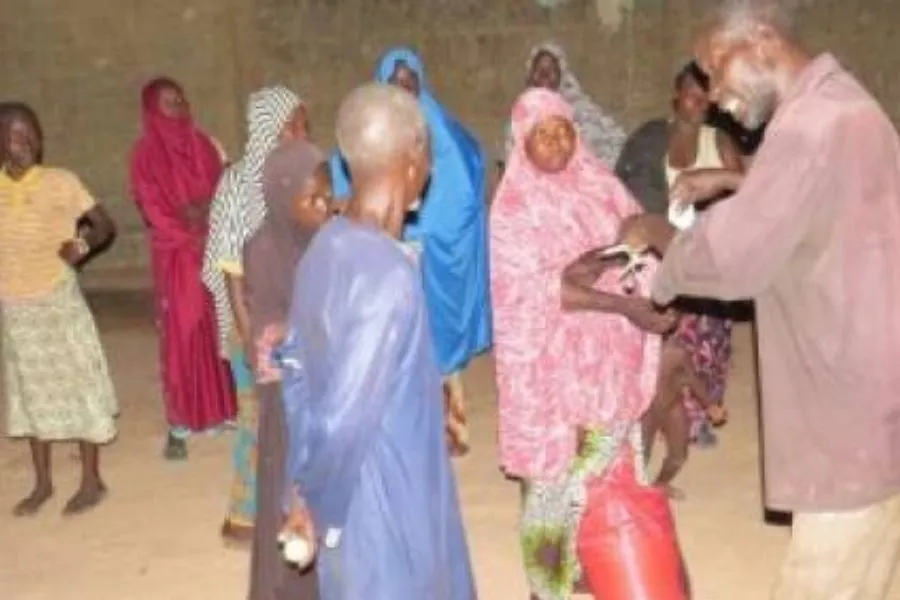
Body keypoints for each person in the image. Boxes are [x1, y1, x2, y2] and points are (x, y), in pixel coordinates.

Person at [620, 1, 900, 597]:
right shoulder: (852, 108)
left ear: (762, 40)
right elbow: (812, 209)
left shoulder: (807, 129)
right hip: (881, 408)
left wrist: (658, 240)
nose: (714, 95)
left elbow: (731, 258)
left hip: (845, 427)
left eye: (716, 67)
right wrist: (733, 183)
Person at [279, 82, 475, 600]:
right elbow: (346, 412)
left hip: (350, 484)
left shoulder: (326, 246)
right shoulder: (387, 274)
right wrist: (315, 501)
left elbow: (295, 374)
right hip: (383, 497)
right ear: (413, 157)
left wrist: (298, 483)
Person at [490, 87, 671, 599]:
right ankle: (547, 585)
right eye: (541, 134)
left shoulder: (601, 185)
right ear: (521, 142)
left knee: (605, 475)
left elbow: (640, 244)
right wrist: (621, 305)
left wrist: (650, 291)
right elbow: (535, 292)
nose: (556, 142)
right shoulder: (514, 209)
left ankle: (599, 561)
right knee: (554, 483)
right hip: (553, 379)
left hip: (609, 369)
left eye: (563, 130)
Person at [330, 47, 491, 456]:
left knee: (437, 336)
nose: (403, 90)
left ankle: (449, 428)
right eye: (395, 81)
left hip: (433, 257)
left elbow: (465, 190)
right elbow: (344, 186)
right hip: (385, 251)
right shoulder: (370, 134)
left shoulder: (443, 133)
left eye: (410, 81)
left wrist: (427, 231)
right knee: (389, 342)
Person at [616, 62, 743, 493]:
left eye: (706, 94)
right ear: (676, 96)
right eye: (691, 92)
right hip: (664, 255)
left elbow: (745, 192)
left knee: (705, 344)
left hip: (708, 255)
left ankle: (696, 418)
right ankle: (659, 420)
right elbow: (630, 190)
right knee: (668, 344)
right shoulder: (653, 139)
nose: (699, 101)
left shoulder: (719, 142)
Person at [0, 102, 118, 516]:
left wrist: (82, 245)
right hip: (16, 307)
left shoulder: (61, 182)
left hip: (57, 299)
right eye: (16, 134)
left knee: (80, 383)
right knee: (31, 392)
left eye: (32, 132)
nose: (27, 141)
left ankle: (91, 480)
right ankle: (42, 483)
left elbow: (104, 225)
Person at [201, 86, 307, 544]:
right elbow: (230, 268)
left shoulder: (296, 178)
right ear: (274, 128)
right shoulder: (238, 185)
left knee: (294, 417)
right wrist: (247, 334)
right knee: (258, 419)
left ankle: (290, 507)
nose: (303, 132)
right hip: (253, 322)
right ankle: (242, 516)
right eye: (296, 124)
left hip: (292, 318)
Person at [130, 77, 236, 461]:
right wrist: (190, 233)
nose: (178, 107)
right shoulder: (145, 156)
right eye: (169, 103)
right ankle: (183, 418)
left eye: (181, 99)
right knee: (184, 331)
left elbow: (224, 189)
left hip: (213, 246)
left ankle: (223, 408)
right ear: (152, 110)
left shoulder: (204, 145)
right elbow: (153, 208)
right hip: (177, 255)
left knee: (217, 325)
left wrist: (207, 216)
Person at [242, 139, 329, 599]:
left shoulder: (330, 242)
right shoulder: (263, 251)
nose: (325, 206)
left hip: (327, 396)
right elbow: (271, 338)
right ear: (281, 196)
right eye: (312, 198)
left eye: (327, 194)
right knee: (293, 496)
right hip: (289, 401)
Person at [504, 41, 627, 168]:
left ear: (561, 75)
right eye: (539, 71)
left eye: (551, 70)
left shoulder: (581, 112)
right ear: (531, 76)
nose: (544, 76)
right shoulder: (522, 118)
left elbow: (613, 143)